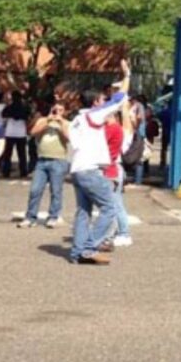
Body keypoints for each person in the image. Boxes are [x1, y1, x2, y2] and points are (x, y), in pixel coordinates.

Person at [67, 59, 130, 265]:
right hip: (90, 170)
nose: (104, 102)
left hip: (77, 169)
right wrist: (127, 76)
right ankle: (89, 248)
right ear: (95, 102)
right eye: (102, 99)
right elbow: (119, 100)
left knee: (83, 212)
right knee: (109, 208)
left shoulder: (76, 120)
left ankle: (77, 252)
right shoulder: (94, 116)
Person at [20, 102, 70, 228]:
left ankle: (53, 216)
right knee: (35, 190)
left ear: (64, 112)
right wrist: (48, 121)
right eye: (55, 109)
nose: (57, 112)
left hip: (58, 160)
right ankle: (30, 217)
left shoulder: (67, 123)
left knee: (56, 190)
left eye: (61, 110)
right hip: (42, 160)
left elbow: (69, 138)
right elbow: (33, 132)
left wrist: (60, 123)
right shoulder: (43, 120)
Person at [109, 100, 132, 248]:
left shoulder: (121, 132)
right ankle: (116, 231)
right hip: (110, 168)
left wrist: (124, 108)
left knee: (116, 203)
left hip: (115, 168)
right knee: (111, 203)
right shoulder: (108, 130)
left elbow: (128, 124)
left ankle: (124, 233)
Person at [0, 93, 30, 178]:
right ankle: (23, 172)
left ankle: (6, 171)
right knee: (22, 154)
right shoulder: (24, 107)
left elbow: (3, 114)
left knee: (7, 154)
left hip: (10, 132)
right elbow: (28, 116)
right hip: (21, 133)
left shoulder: (9, 107)